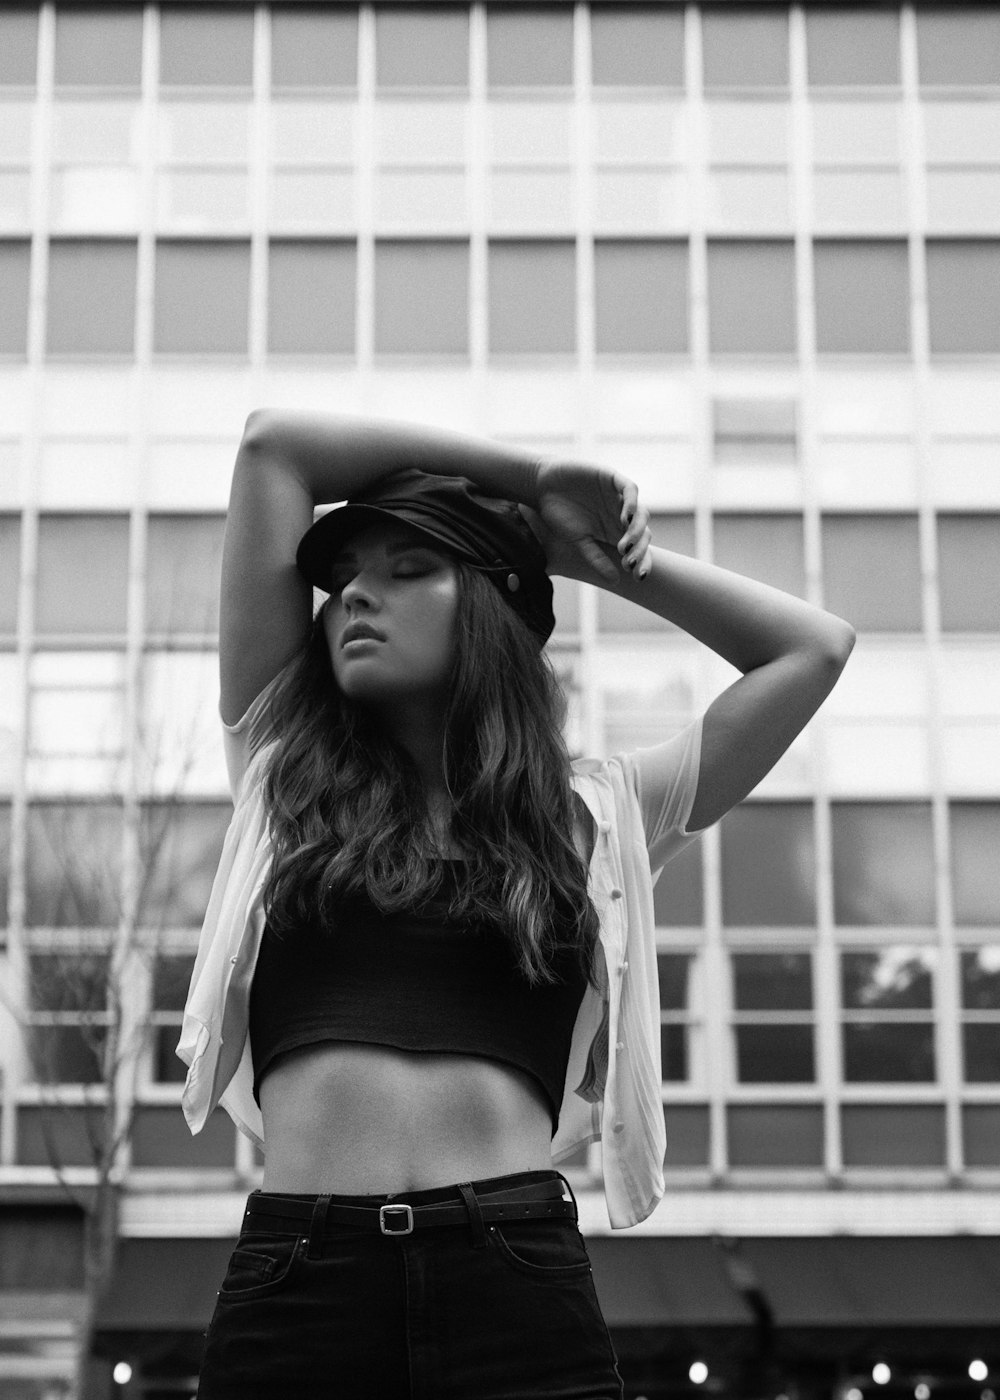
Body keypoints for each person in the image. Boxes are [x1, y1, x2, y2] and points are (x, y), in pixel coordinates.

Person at [179, 409, 855, 1400]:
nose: (356, 593)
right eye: (347, 576)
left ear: (494, 603)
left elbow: (812, 647)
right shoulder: (279, 770)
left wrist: (584, 558)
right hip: (299, 1279)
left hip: (514, 1278)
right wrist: (532, 475)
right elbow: (272, 445)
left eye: (410, 567)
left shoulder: (599, 811)